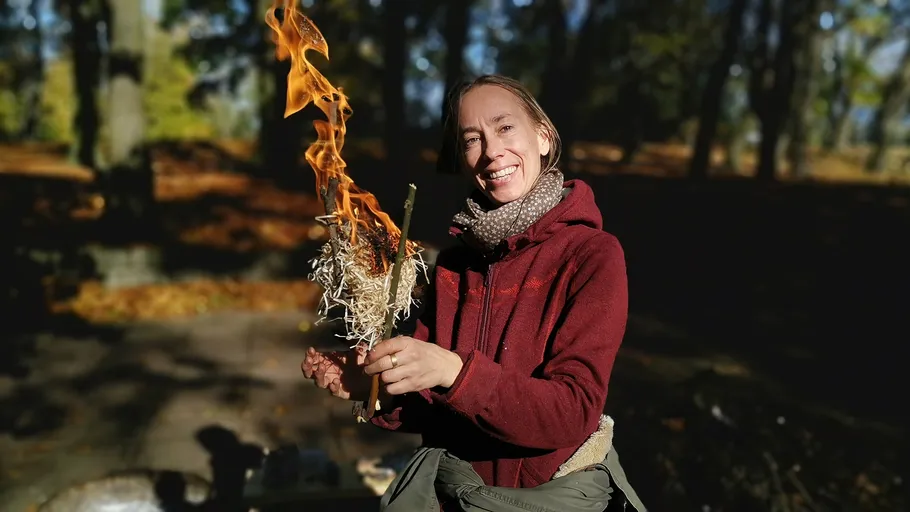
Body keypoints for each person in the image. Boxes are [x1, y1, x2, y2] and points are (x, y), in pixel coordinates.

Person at [302, 74, 645, 511]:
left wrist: (454, 371)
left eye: (505, 128)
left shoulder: (590, 254)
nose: (491, 151)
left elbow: (572, 412)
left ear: (543, 137)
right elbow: (437, 407)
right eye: (471, 140)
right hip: (454, 499)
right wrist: (378, 389)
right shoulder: (455, 265)